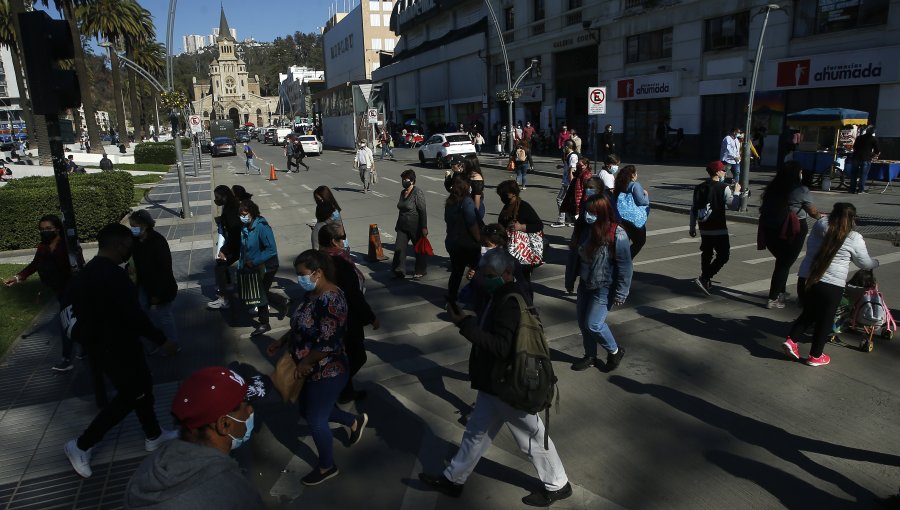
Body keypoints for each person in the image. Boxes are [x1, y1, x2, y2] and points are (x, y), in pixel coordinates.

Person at [419, 249, 572, 507]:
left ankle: (558, 483)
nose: (484, 278)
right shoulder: (497, 294)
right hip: (495, 382)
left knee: (532, 437)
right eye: (483, 274)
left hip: (508, 383)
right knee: (476, 433)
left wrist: (465, 326)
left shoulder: (510, 302)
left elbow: (501, 347)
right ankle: (454, 478)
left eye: (489, 275)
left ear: (508, 274)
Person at [62, 224, 180, 479]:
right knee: (130, 395)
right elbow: (134, 316)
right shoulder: (113, 277)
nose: (131, 249)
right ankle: (81, 445)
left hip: (106, 345)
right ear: (119, 245)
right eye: (129, 245)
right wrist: (162, 340)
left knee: (143, 386)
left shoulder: (92, 270)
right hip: (116, 347)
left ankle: (154, 435)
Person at [265, 250, 368, 485]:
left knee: (315, 419)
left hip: (328, 370)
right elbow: (303, 323)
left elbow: (328, 342)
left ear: (318, 273)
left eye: (302, 274)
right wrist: (282, 340)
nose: (299, 279)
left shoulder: (332, 300)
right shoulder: (312, 294)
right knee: (306, 411)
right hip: (309, 368)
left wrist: (305, 363)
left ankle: (327, 466)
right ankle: (353, 421)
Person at [124, 367, 265, 509]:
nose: (251, 410)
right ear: (224, 425)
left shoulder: (150, 467)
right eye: (246, 406)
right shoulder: (234, 492)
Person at [783, 203, 879, 367]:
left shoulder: (820, 225)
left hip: (806, 277)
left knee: (809, 312)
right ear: (852, 219)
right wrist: (875, 263)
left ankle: (791, 340)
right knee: (825, 319)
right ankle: (815, 355)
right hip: (831, 284)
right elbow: (864, 263)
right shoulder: (853, 237)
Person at [4, 214, 84, 371]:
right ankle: (87, 348)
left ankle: (67, 358)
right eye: (41, 229)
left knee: (65, 321)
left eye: (48, 229)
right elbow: (35, 264)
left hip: (72, 288)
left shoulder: (67, 246)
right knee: (77, 319)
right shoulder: (43, 246)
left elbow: (78, 265)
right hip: (58, 289)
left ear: (58, 229)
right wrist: (17, 277)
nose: (44, 232)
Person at [565, 194, 633, 372]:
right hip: (585, 283)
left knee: (593, 324)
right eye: (586, 211)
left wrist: (621, 291)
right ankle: (590, 356)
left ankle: (615, 351)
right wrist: (570, 279)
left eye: (592, 212)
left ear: (602, 212)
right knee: (583, 323)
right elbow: (574, 256)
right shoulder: (584, 229)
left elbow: (626, 265)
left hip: (604, 286)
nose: (588, 215)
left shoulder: (616, 233)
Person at [318, 224, 379, 404]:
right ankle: (333, 384)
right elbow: (354, 295)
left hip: (326, 319)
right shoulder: (339, 263)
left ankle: (345, 392)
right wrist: (371, 317)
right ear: (333, 241)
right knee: (357, 356)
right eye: (342, 237)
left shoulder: (318, 260)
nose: (344, 240)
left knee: (342, 356)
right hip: (345, 319)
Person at [758, 161, 820, 309]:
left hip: (770, 228)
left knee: (782, 261)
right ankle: (773, 298)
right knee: (784, 263)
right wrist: (822, 217)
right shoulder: (801, 190)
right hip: (793, 229)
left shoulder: (773, 187)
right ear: (797, 173)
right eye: (800, 172)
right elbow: (812, 212)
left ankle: (781, 291)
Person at [689, 161, 746, 295]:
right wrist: (737, 192)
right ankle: (704, 278)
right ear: (717, 172)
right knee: (723, 255)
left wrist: (692, 227)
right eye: (723, 170)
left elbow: (693, 209)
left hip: (704, 226)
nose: (725, 172)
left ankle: (705, 281)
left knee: (707, 253)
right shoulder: (723, 187)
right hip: (718, 227)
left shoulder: (699, 187)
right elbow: (733, 205)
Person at [129, 210, 178, 345]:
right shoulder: (134, 241)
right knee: (142, 313)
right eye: (131, 226)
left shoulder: (157, 241)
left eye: (135, 226)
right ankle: (152, 343)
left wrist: (158, 293)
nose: (132, 229)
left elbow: (164, 269)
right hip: (142, 283)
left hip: (160, 285)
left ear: (144, 225)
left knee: (164, 315)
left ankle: (172, 343)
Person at [238, 200, 281, 337]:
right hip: (253, 266)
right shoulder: (245, 227)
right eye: (240, 214)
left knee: (260, 294)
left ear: (252, 213)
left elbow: (271, 250)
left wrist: (255, 261)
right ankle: (282, 303)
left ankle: (264, 323)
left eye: (245, 214)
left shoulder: (262, 226)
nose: (242, 217)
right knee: (260, 293)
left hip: (267, 266)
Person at [444, 176, 482, 305]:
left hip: (452, 242)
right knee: (477, 269)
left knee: (456, 271)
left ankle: (452, 297)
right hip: (467, 243)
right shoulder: (467, 201)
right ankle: (476, 297)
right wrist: (479, 240)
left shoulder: (450, 202)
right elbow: (472, 224)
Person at [496, 180, 542, 280]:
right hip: (509, 251)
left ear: (513, 194)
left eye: (504, 195)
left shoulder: (524, 207)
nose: (502, 198)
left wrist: (521, 227)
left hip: (522, 254)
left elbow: (538, 225)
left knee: (522, 280)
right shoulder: (507, 206)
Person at [208, 186, 243, 310]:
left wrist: (224, 250)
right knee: (221, 266)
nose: (215, 200)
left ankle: (224, 298)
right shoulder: (229, 206)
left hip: (238, 245)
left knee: (220, 266)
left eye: (217, 197)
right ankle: (227, 289)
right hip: (236, 244)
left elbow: (235, 233)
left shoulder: (231, 210)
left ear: (225, 196)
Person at [392, 169, 429, 280]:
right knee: (399, 248)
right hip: (402, 226)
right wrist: (397, 224)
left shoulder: (417, 192)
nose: (403, 182)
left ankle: (420, 270)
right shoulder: (402, 193)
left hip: (415, 226)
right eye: (402, 180)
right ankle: (399, 270)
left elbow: (422, 210)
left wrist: (424, 227)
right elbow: (401, 210)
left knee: (418, 249)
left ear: (412, 181)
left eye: (405, 179)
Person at [613, 165, 650, 259]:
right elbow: (641, 201)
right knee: (640, 241)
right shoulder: (635, 185)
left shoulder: (620, 184)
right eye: (636, 173)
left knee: (625, 239)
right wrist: (646, 195)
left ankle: (618, 259)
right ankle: (626, 259)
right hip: (634, 218)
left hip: (622, 217)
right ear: (633, 175)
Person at [551, 140, 578, 228]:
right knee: (568, 201)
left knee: (559, 199)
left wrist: (570, 182)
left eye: (564, 147)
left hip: (568, 182)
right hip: (568, 182)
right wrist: (562, 166)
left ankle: (562, 220)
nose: (563, 148)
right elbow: (569, 166)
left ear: (567, 147)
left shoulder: (573, 156)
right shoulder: (570, 155)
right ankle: (570, 220)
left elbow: (573, 169)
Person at [849, 125, 880, 194]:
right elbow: (877, 151)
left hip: (856, 157)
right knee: (863, 175)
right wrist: (872, 155)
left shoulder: (859, 137)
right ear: (873, 132)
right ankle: (860, 190)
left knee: (854, 174)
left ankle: (852, 189)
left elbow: (854, 147)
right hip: (866, 158)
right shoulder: (873, 139)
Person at [465, 155, 487, 220]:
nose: (463, 165)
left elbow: (477, 197)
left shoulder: (477, 178)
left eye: (465, 163)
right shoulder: (469, 174)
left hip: (475, 207)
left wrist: (475, 213)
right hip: (468, 205)